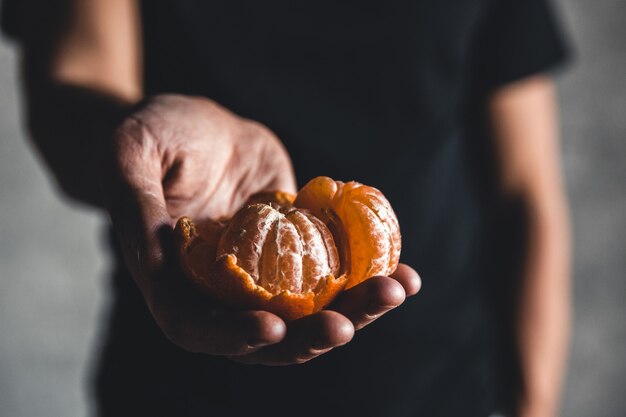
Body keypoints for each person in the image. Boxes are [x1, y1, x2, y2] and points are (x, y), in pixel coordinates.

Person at [1, 0, 572, 416]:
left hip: (438, 387)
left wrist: (534, 401)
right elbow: (70, 86)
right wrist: (134, 140)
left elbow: (525, 193)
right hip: (177, 387)